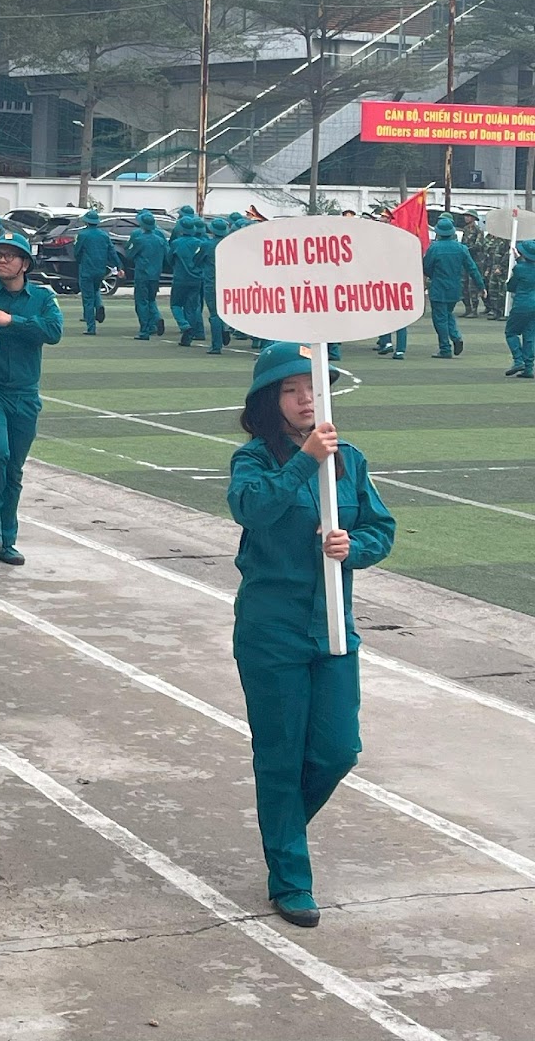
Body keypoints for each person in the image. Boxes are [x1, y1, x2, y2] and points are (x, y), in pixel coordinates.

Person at [228, 342, 395, 928]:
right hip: (271, 630)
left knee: (336, 749)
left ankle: (281, 828)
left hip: (333, 629)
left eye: (314, 388)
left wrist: (356, 549)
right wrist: (304, 460)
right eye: (292, 389)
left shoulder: (349, 457)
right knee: (279, 755)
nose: (305, 399)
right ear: (269, 401)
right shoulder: (253, 460)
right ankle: (290, 877)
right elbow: (251, 510)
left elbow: (380, 527)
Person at [0, 229, 62, 565]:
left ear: (25, 264)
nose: (1, 260)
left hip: (24, 393)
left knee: (14, 469)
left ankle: (7, 538)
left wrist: (13, 321)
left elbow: (53, 332)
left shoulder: (42, 298)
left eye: (9, 255)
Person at [424, 214, 484, 359]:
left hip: (438, 286)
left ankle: (445, 348)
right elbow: (472, 268)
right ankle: (456, 337)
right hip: (454, 286)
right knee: (448, 314)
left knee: (440, 318)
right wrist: (481, 286)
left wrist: (432, 277)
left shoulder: (434, 248)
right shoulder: (461, 248)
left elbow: (426, 267)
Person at [72, 210, 119, 335]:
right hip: (100, 269)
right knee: (96, 290)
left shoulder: (83, 235)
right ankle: (99, 306)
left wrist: (79, 260)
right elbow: (112, 252)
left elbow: (77, 252)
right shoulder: (104, 235)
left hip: (87, 269)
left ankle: (91, 327)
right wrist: (118, 265)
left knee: (87, 298)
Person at [125, 211, 169, 340]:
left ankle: (144, 330)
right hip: (155, 274)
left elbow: (129, 255)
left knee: (141, 302)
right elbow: (167, 256)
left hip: (142, 274)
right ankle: (156, 318)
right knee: (151, 300)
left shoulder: (139, 239)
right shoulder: (160, 240)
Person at [168, 214, 205, 346]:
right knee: (191, 307)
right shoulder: (200, 243)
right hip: (196, 279)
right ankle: (190, 335)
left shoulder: (176, 243)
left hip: (181, 278)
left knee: (175, 305)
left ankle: (184, 325)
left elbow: (169, 259)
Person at [198, 217, 230, 355]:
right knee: (226, 311)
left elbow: (197, 260)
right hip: (228, 283)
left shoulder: (207, 245)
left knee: (214, 314)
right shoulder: (231, 245)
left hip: (212, 282)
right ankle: (225, 329)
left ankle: (216, 345)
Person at [503, 238, 535, 379]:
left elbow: (511, 286)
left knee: (511, 332)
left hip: (522, 304)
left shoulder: (519, 269)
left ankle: (518, 359)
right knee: (529, 335)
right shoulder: (522, 267)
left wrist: (518, 262)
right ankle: (528, 367)